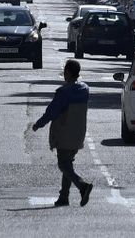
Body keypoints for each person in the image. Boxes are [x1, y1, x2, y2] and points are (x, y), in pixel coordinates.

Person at [31, 58, 93, 207]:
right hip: (79, 133)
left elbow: (51, 112)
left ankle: (82, 186)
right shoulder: (85, 89)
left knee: (63, 165)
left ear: (68, 72)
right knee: (68, 164)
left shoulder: (64, 92)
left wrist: (38, 124)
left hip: (64, 133)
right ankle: (64, 197)